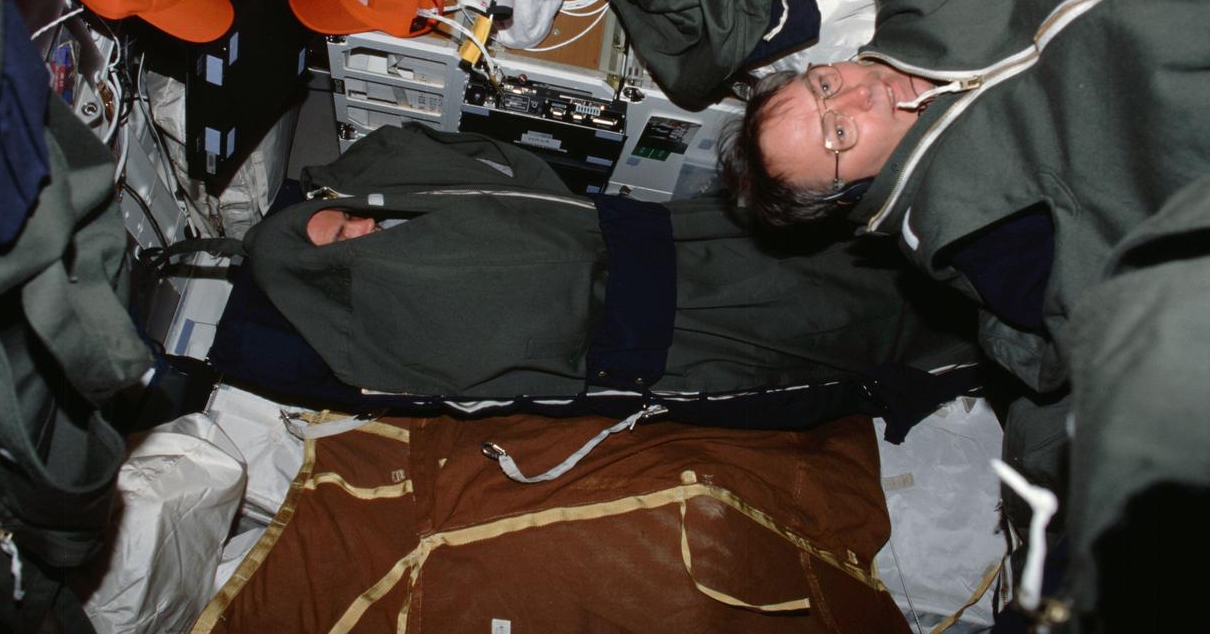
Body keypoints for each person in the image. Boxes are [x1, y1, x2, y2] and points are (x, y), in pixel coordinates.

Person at [635, 0, 1210, 620]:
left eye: (824, 84)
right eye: (838, 136)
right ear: (854, 194)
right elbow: (1115, 319)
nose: (860, 98)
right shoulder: (989, 237)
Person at [241, 122, 981, 433]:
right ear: (319, 276)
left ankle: (962, 261)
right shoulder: (367, 341)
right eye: (341, 239)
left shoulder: (406, 202)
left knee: (817, 256)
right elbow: (489, 368)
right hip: (656, 336)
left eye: (346, 218)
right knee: (822, 328)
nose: (364, 232)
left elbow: (488, 188)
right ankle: (969, 337)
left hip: (659, 242)